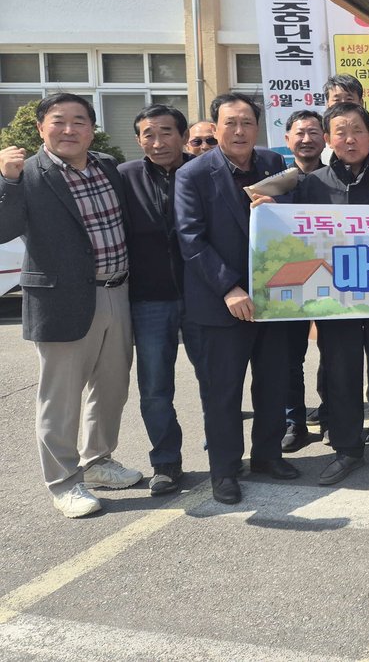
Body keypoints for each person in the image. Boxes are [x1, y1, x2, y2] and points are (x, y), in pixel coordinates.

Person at [0, 93, 141, 518]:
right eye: (58, 121)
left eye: (79, 121)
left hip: (118, 291)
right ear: (40, 128)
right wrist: (6, 181)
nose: (69, 129)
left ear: (92, 129)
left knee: (112, 387)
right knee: (60, 398)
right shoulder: (26, 174)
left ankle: (98, 461)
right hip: (61, 299)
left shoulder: (107, 167)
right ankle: (63, 483)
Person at [274, 103, 369, 486]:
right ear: (328, 138)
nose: (349, 139)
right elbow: (295, 239)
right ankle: (347, 448)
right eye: (340, 131)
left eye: (357, 131)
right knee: (340, 373)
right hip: (336, 298)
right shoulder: (311, 184)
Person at [175, 92, 296, 505]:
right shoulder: (193, 174)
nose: (240, 131)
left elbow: (292, 217)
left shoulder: (272, 163)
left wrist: (279, 206)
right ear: (215, 127)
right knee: (223, 393)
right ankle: (224, 471)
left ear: (258, 127)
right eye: (231, 123)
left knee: (273, 384)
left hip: (273, 298)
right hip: (220, 303)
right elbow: (191, 239)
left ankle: (267, 455)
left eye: (247, 122)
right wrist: (229, 287)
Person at [118, 104, 202, 496]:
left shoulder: (202, 172)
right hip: (149, 300)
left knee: (215, 380)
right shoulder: (124, 177)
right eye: (148, 134)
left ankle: (225, 453)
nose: (158, 142)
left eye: (166, 132)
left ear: (183, 136)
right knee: (154, 388)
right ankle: (166, 462)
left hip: (202, 295)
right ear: (138, 140)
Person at [280, 110, 326, 452]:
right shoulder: (273, 183)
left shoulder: (336, 178)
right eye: (300, 133)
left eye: (314, 132)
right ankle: (294, 422)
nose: (307, 139)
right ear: (287, 139)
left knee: (335, 356)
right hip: (288, 281)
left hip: (332, 281)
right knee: (288, 358)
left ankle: (332, 416)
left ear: (325, 138)